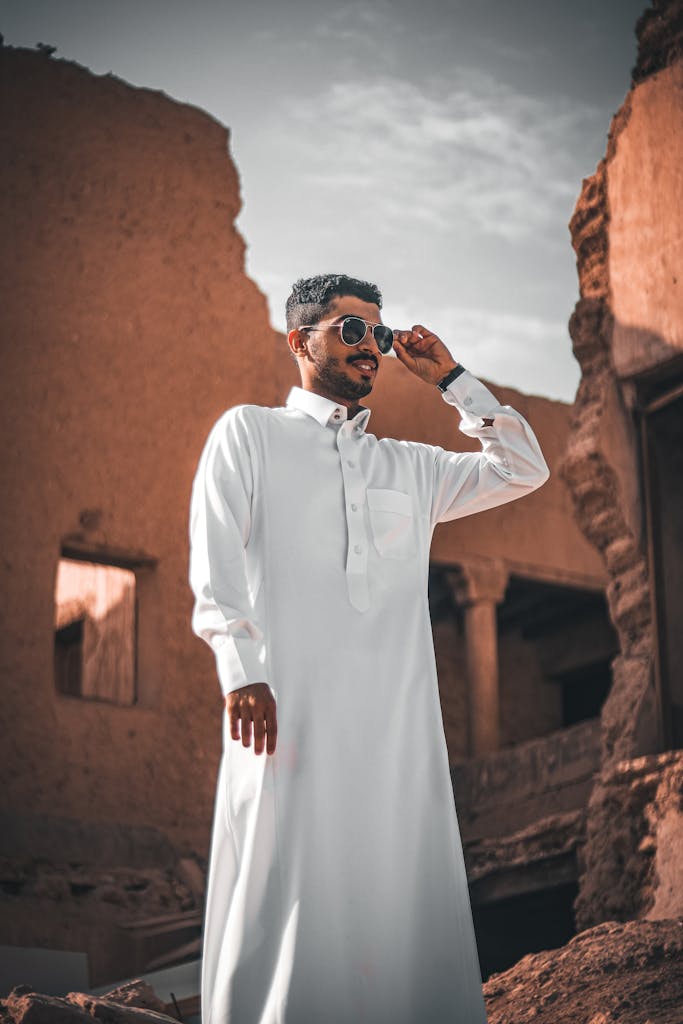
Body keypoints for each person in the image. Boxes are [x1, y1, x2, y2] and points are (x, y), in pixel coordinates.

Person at [189, 273, 550, 1024]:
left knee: (402, 905)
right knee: (282, 898)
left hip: (397, 739)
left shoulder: (410, 467)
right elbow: (214, 564)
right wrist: (241, 673)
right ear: (300, 341)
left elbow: (522, 468)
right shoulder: (249, 434)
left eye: (378, 335)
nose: (372, 348)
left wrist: (451, 379)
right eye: (353, 330)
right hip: (288, 721)